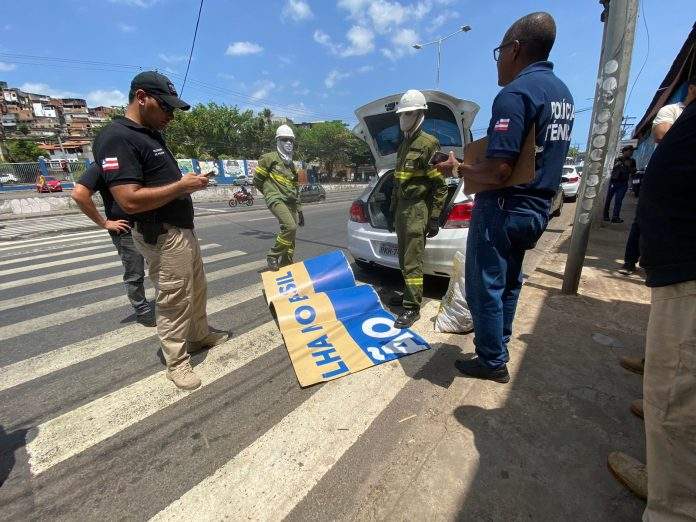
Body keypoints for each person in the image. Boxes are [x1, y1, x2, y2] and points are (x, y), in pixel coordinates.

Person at [437, 12, 573, 383]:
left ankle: (491, 360)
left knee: (484, 286)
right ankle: (500, 345)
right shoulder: (561, 93)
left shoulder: (515, 94)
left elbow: (499, 171)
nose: (497, 61)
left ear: (514, 49)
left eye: (498, 51)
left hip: (503, 205)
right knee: (510, 281)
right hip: (537, 207)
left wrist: (460, 168)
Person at [93, 71, 228, 391]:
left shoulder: (151, 134)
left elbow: (158, 182)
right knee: (173, 300)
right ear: (142, 98)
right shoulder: (117, 137)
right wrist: (182, 185)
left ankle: (199, 336)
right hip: (162, 234)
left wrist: (185, 184)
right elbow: (127, 199)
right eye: (165, 108)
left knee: (196, 290)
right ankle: (177, 363)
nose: (170, 116)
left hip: (181, 230)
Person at [608, 82, 696, 520]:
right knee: (673, 400)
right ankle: (667, 478)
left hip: (688, 277)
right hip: (679, 272)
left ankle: (672, 503)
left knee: (677, 406)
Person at [387, 89, 447, 329]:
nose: (404, 119)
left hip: (416, 210)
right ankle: (407, 295)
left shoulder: (428, 144)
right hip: (402, 209)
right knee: (403, 258)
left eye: (408, 113)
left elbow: (440, 185)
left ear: (420, 114)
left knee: (413, 262)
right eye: (401, 114)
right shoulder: (404, 145)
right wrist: (392, 211)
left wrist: (434, 218)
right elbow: (397, 181)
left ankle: (412, 308)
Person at [71, 163, 155, 327]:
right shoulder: (105, 164)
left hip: (150, 226)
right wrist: (104, 223)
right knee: (135, 274)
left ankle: (165, 306)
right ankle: (142, 311)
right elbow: (79, 194)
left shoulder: (136, 161)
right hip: (126, 230)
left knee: (159, 268)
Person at [253, 124, 304, 271]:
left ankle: (286, 262)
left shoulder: (292, 166)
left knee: (291, 234)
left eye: (291, 140)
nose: (289, 143)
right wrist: (270, 194)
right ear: (278, 141)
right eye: (285, 139)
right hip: (276, 199)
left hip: (291, 202)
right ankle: (273, 255)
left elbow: (296, 189)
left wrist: (300, 210)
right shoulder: (269, 158)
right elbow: (257, 181)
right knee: (290, 227)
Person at [603, 145, 636, 223]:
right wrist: (617, 164)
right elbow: (610, 169)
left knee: (619, 200)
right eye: (630, 151)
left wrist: (629, 168)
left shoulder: (632, 161)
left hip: (623, 183)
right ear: (624, 151)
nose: (631, 152)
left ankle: (615, 217)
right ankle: (605, 215)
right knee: (608, 199)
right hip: (613, 182)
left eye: (632, 151)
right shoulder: (617, 159)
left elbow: (634, 171)